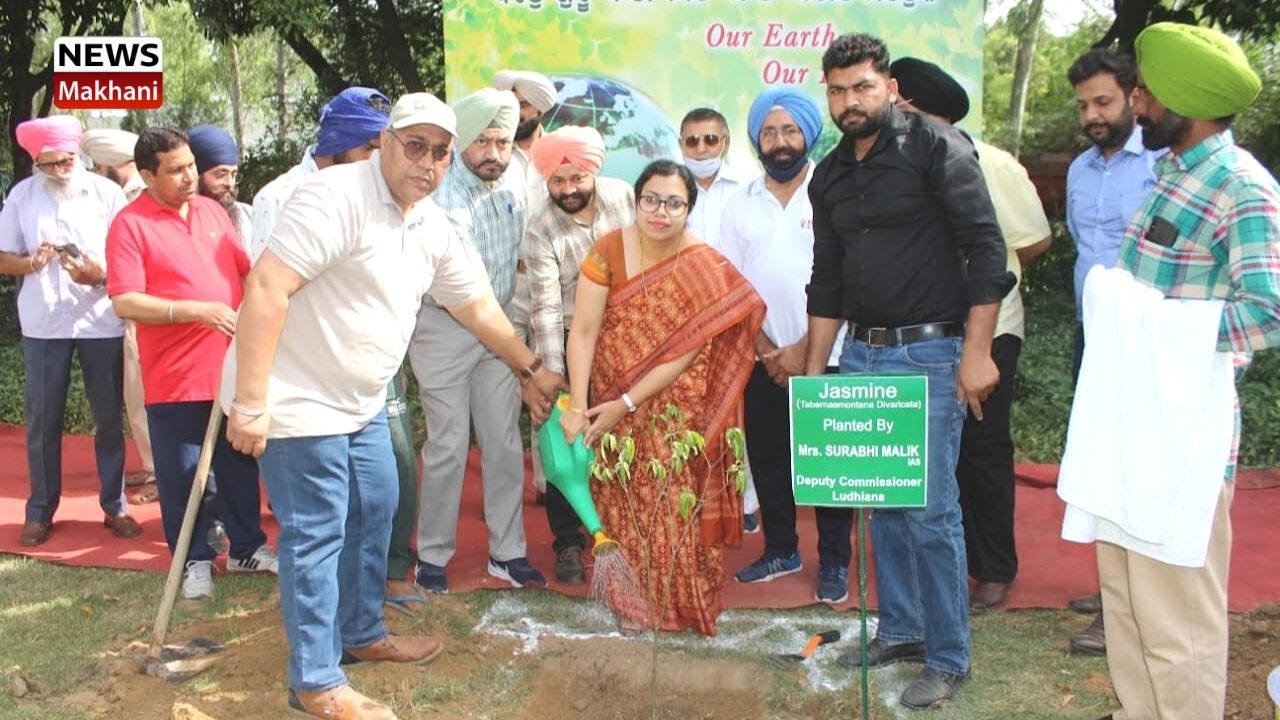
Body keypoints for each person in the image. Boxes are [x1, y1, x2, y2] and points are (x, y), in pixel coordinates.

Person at [224, 91, 562, 720]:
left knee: (377, 508)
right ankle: (315, 681)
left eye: (440, 151)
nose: (428, 162)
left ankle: (359, 632)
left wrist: (530, 368)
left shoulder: (429, 220)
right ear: (384, 143)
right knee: (316, 532)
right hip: (295, 398)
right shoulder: (334, 197)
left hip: (361, 399)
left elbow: (478, 306)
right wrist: (249, 403)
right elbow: (266, 287)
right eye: (415, 145)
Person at [1064, 24, 1280, 720]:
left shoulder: (1242, 187)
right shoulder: (1172, 175)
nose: (1139, 103)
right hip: (1131, 427)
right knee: (1127, 611)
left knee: (1176, 627)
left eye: (1148, 93)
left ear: (1186, 101)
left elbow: (1268, 313)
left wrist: (1158, 332)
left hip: (1182, 442)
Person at [806, 34, 1013, 709]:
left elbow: (986, 248)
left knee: (930, 509)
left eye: (862, 86)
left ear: (888, 85)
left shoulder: (934, 146)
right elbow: (826, 281)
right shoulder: (829, 174)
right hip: (860, 353)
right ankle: (900, 629)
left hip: (932, 352)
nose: (849, 101)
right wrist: (814, 374)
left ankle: (949, 656)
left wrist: (977, 353)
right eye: (837, 90)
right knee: (884, 503)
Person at [560, 160, 765, 636]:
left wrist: (626, 404)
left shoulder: (703, 264)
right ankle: (632, 605)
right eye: (651, 199)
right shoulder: (608, 249)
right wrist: (577, 404)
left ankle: (679, 603)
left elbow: (688, 353)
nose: (660, 211)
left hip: (674, 404)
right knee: (619, 495)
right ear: (636, 201)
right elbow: (584, 331)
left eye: (674, 203)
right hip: (606, 399)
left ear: (689, 209)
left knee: (673, 499)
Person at [249, 86, 423, 618]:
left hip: (367, 369)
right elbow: (265, 293)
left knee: (378, 492)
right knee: (320, 518)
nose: (386, 162)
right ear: (343, 145)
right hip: (303, 382)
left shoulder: (384, 196)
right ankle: (320, 654)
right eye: (376, 149)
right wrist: (253, 398)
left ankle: (363, 613)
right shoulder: (281, 197)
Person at [890, 57, 1054, 613]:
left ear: (917, 110)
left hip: (989, 333)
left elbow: (1031, 242)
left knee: (981, 452)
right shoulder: (890, 162)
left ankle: (992, 569)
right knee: (926, 455)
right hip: (918, 334)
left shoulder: (994, 164)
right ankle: (931, 568)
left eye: (898, 105)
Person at [106, 127, 276, 601]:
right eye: (175, 170)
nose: (189, 177)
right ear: (146, 175)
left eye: (190, 167)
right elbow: (125, 301)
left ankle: (246, 548)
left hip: (230, 366)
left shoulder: (210, 211)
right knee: (183, 474)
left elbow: (245, 272)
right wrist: (193, 311)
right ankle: (194, 558)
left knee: (239, 463)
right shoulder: (130, 224)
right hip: (175, 376)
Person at [411, 88, 548, 594]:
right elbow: (462, 292)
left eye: (503, 141)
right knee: (448, 443)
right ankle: (433, 557)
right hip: (444, 328)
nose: (494, 152)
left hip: (503, 325)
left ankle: (508, 554)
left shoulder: (515, 180)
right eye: (483, 141)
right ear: (463, 140)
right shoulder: (439, 194)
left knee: (505, 442)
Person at [722, 87, 853, 604]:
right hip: (763, 356)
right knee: (771, 458)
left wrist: (806, 350)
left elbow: (847, 278)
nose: (779, 142)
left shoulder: (835, 191)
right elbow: (730, 286)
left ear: (809, 135)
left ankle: (836, 561)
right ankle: (780, 549)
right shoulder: (741, 203)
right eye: (769, 132)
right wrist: (768, 350)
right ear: (757, 139)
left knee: (829, 464)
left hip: (830, 353)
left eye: (789, 130)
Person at [0, 115, 140, 548]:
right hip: (44, 322)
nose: (59, 170)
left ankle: (114, 505)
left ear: (76, 154)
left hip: (100, 319)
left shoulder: (106, 193)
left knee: (107, 420)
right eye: (49, 165)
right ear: (35, 162)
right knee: (43, 420)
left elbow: (130, 257)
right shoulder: (22, 197)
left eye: (64, 161)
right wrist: (31, 264)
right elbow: (4, 257)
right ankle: (40, 510)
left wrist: (98, 274)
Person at [1063, 47, 1163, 655]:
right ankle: (1111, 591)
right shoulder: (1078, 169)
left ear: (1133, 97)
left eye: (1103, 102)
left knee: (1141, 470)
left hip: (1148, 343)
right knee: (1102, 464)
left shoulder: (1161, 166)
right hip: (1092, 337)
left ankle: (1130, 611)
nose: (1093, 115)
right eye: (1083, 106)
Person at [523, 126, 635, 584]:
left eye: (576, 179)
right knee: (563, 443)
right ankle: (569, 543)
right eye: (557, 181)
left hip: (626, 334)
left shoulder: (624, 199)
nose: (568, 190)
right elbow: (546, 308)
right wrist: (558, 377)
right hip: (568, 336)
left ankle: (628, 532)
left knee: (622, 435)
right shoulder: (540, 228)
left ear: (595, 170)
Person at [492, 69, 558, 512]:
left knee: (550, 377)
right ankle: (503, 490)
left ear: (538, 109)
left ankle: (551, 481)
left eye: (524, 106)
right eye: (510, 105)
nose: (518, 114)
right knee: (501, 385)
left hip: (555, 287)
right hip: (506, 286)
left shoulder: (561, 152)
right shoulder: (493, 156)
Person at [81, 128, 157, 497]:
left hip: (144, 309)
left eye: (97, 167)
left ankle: (161, 471)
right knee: (134, 394)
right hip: (127, 312)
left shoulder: (136, 199)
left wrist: (101, 277)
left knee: (145, 393)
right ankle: (152, 464)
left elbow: (142, 263)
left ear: (109, 166)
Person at [251, 87, 390, 262]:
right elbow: (263, 286)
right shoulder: (278, 199)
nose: (377, 161)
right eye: (370, 149)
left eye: (383, 152)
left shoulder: (377, 198)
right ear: (337, 142)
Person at [679, 107, 741, 250]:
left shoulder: (747, 188)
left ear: (726, 144)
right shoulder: (666, 191)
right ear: (681, 145)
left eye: (711, 140)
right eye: (692, 141)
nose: (701, 149)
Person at [187, 124, 252, 242]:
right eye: (221, 175)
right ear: (196, 175)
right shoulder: (176, 223)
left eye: (234, 175)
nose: (230, 184)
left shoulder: (250, 217)